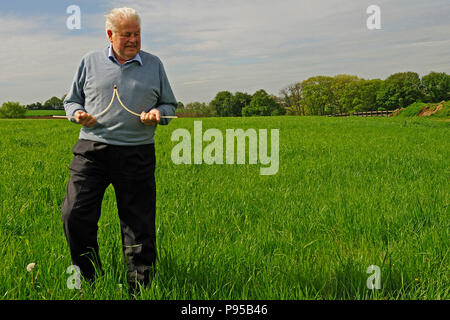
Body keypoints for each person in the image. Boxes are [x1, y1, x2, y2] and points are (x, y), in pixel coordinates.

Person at [60, 7, 177, 292]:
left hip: (136, 152)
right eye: (127, 34)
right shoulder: (89, 61)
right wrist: (77, 114)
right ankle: (90, 279)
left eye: (137, 34)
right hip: (91, 150)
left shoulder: (154, 64)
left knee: (139, 225)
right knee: (74, 215)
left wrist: (158, 114)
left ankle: (140, 289)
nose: (134, 40)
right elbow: (71, 100)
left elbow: (170, 106)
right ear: (110, 35)